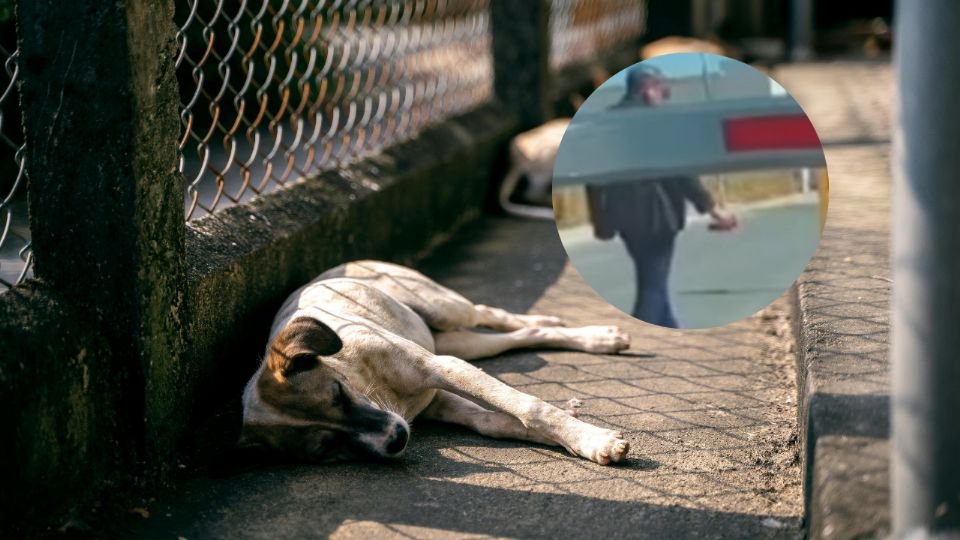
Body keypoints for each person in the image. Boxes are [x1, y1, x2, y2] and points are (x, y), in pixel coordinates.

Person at [586, 65, 738, 328]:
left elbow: (593, 178)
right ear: (647, 90)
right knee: (653, 285)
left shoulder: (606, 120)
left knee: (653, 278)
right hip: (656, 215)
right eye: (661, 90)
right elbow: (680, 173)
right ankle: (648, 334)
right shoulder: (656, 122)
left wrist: (600, 219)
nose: (664, 97)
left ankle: (670, 326)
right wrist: (713, 208)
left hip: (621, 216)